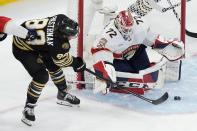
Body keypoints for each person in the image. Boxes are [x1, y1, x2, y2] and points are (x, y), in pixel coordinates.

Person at [12, 14, 86, 126]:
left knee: (54, 66)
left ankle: (62, 93)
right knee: (41, 77)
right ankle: (29, 107)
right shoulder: (57, 45)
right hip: (23, 48)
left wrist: (75, 62)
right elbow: (62, 60)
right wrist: (77, 63)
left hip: (37, 41)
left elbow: (56, 55)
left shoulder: (61, 18)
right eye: (71, 36)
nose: (71, 38)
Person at [91, 10, 184, 94]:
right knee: (127, 75)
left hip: (136, 52)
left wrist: (166, 46)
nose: (128, 31)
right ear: (118, 25)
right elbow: (99, 51)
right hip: (119, 59)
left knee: (147, 75)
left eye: (130, 28)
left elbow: (152, 39)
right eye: (125, 29)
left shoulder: (140, 25)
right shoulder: (107, 35)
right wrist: (103, 74)